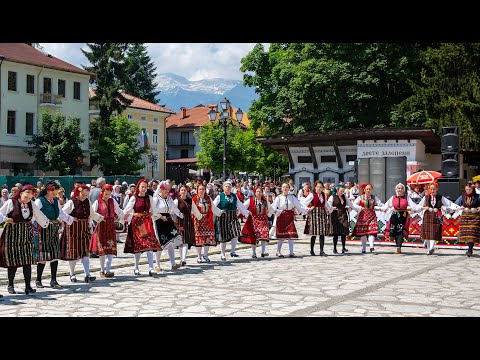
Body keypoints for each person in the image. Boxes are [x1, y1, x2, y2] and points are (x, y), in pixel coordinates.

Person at [0, 185, 50, 296]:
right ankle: (10, 285)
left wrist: (46, 223)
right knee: (13, 261)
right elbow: (0, 213)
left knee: (27, 260)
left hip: (26, 234)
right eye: (26, 197)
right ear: (21, 193)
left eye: (29, 198)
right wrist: (5, 219)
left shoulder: (31, 204)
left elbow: (39, 215)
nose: (27, 200)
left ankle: (28, 286)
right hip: (12, 234)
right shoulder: (11, 202)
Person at [34, 180, 74, 289]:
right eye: (53, 192)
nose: (54, 195)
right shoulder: (40, 201)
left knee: (55, 254)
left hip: (54, 230)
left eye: (55, 193)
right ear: (47, 190)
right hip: (43, 230)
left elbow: (60, 213)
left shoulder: (55, 200)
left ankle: (53, 280)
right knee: (44, 255)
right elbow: (35, 214)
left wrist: (70, 220)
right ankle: (38, 280)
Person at [61, 183, 102, 283]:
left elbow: (92, 214)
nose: (84, 197)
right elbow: (61, 213)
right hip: (73, 230)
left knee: (85, 252)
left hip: (84, 229)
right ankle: (72, 274)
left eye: (86, 195)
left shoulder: (87, 202)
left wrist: (101, 218)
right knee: (73, 252)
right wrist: (70, 218)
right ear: (78, 193)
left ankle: (87, 274)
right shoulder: (71, 202)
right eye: (82, 195)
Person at [123, 179, 160, 276]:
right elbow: (126, 211)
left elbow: (154, 210)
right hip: (137, 224)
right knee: (138, 246)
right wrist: (133, 214)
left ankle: (151, 268)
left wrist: (154, 215)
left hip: (147, 223)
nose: (144, 189)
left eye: (145, 187)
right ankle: (136, 267)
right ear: (138, 187)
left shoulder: (150, 198)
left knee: (150, 245)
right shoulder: (134, 198)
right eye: (142, 187)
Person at [413, 182, 460, 255]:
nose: (432, 190)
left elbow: (449, 204)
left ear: (437, 189)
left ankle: (431, 248)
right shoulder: (425, 198)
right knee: (428, 233)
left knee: (434, 232)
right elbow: (418, 206)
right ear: (429, 189)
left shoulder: (440, 197)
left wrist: (458, 207)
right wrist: (424, 207)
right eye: (431, 189)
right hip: (427, 215)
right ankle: (429, 249)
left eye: (434, 189)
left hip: (437, 216)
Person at [90, 184, 125, 277]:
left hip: (111, 227)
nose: (107, 196)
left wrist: (124, 218)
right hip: (101, 226)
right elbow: (92, 213)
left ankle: (108, 270)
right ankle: (102, 270)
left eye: (109, 194)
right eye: (106, 194)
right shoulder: (97, 202)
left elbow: (119, 211)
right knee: (102, 250)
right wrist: (96, 220)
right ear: (102, 193)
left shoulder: (112, 201)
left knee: (110, 248)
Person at [213, 180, 251, 260]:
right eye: (226, 186)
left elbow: (240, 205)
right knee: (223, 236)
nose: (228, 188)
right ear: (223, 188)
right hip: (223, 218)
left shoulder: (234, 196)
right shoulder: (220, 196)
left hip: (233, 217)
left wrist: (246, 212)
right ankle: (222, 254)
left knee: (236, 232)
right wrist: (219, 211)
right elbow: (213, 206)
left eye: (229, 187)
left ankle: (233, 251)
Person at [270, 183, 309, 257]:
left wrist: (306, 210)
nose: (285, 189)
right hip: (281, 216)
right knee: (281, 236)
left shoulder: (292, 197)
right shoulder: (279, 197)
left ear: (289, 188)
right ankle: (278, 251)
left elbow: (299, 205)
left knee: (291, 235)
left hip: (289, 217)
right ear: (281, 189)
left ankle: (291, 252)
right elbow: (273, 207)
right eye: (284, 187)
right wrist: (275, 212)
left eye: (286, 187)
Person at [152, 181, 184, 271]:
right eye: (165, 189)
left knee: (171, 242)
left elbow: (174, 208)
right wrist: (160, 216)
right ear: (161, 189)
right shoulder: (156, 199)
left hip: (168, 221)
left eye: (168, 189)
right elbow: (153, 211)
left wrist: (182, 215)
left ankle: (173, 264)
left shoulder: (169, 199)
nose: (167, 191)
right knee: (160, 243)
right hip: (159, 222)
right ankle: (157, 264)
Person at [380, 183, 418, 254]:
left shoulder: (407, 198)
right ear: (396, 189)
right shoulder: (393, 198)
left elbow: (413, 206)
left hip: (403, 216)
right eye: (399, 188)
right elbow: (386, 206)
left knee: (401, 231)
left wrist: (417, 208)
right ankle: (397, 245)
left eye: (401, 188)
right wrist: (388, 209)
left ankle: (399, 247)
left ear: (403, 190)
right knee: (394, 231)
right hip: (395, 215)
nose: (400, 190)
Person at [241, 186, 274, 258]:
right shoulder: (251, 200)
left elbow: (271, 209)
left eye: (260, 192)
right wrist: (247, 212)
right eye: (257, 192)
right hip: (253, 220)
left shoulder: (265, 201)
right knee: (253, 237)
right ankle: (254, 252)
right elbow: (242, 207)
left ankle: (263, 251)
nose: (259, 193)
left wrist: (269, 214)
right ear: (255, 193)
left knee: (264, 235)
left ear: (262, 193)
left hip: (263, 220)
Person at [191, 184, 220, 263]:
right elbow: (192, 210)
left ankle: (206, 255)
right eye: (200, 189)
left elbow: (213, 207)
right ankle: (199, 256)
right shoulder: (194, 199)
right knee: (199, 239)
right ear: (197, 190)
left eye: (203, 189)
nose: (201, 191)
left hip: (207, 220)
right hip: (198, 221)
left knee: (207, 238)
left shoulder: (208, 199)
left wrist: (220, 212)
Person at [351, 183, 384, 254]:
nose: (368, 190)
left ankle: (371, 246)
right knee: (363, 232)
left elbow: (380, 204)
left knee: (371, 230)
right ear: (364, 190)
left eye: (369, 189)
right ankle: (363, 248)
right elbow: (354, 204)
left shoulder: (374, 197)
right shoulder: (360, 197)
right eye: (367, 189)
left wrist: (380, 208)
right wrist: (359, 208)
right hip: (363, 216)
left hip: (372, 215)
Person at [304, 181, 333, 256]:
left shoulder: (323, 194)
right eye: (318, 187)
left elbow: (326, 204)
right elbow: (304, 203)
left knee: (322, 232)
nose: (319, 189)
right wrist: (309, 208)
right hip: (314, 214)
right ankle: (311, 250)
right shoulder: (312, 194)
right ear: (315, 187)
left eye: (321, 187)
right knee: (314, 233)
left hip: (322, 214)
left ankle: (321, 251)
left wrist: (330, 209)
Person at [454, 184, 480, 257]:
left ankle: (470, 250)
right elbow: (456, 204)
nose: (468, 191)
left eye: (470, 189)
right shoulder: (462, 197)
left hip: (475, 217)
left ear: (473, 189)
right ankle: (469, 247)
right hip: (465, 217)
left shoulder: (477, 196)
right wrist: (460, 207)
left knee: (472, 233)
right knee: (466, 233)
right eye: (467, 189)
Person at [174, 185, 197, 266]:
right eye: (182, 190)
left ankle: (183, 259)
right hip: (179, 222)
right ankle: (181, 259)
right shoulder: (177, 201)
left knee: (186, 241)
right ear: (179, 191)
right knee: (181, 241)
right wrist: (179, 215)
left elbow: (195, 210)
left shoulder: (190, 201)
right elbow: (173, 209)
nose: (183, 192)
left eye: (185, 190)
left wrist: (200, 217)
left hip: (188, 222)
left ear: (187, 192)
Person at [328, 184, 353, 254]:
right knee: (336, 233)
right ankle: (335, 248)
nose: (342, 192)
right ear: (337, 190)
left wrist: (350, 208)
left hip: (343, 215)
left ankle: (343, 247)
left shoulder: (344, 197)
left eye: (343, 191)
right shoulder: (332, 197)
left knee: (344, 232)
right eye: (341, 191)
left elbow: (350, 204)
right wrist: (332, 208)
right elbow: (328, 204)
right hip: (335, 215)